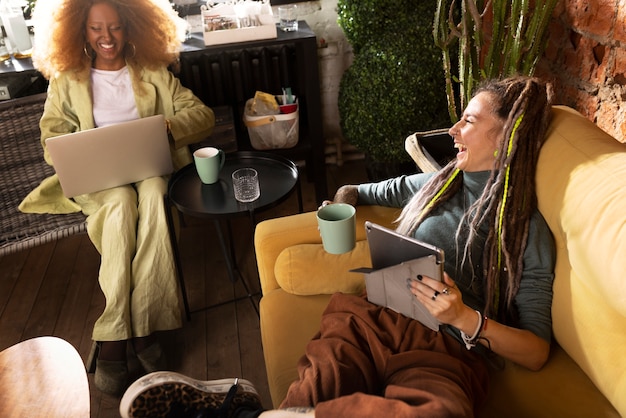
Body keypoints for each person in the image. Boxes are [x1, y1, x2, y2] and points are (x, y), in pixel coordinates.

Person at [118, 76, 556, 418]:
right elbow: (363, 189)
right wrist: (340, 204)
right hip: (373, 318)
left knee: (443, 412)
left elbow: (536, 352)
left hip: (444, 350)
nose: (454, 130)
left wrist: (464, 317)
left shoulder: (524, 229)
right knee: (318, 382)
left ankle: (242, 411)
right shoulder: (439, 183)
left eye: (470, 122)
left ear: (507, 139)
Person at [19, 0, 215, 395]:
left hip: (149, 170)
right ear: (80, 30)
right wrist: (77, 146)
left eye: (115, 27)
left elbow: (203, 115)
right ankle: (137, 333)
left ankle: (119, 334)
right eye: (95, 28)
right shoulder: (66, 80)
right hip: (98, 181)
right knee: (122, 204)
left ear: (131, 27)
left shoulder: (154, 72)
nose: (106, 37)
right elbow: (49, 139)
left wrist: (167, 126)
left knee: (157, 192)